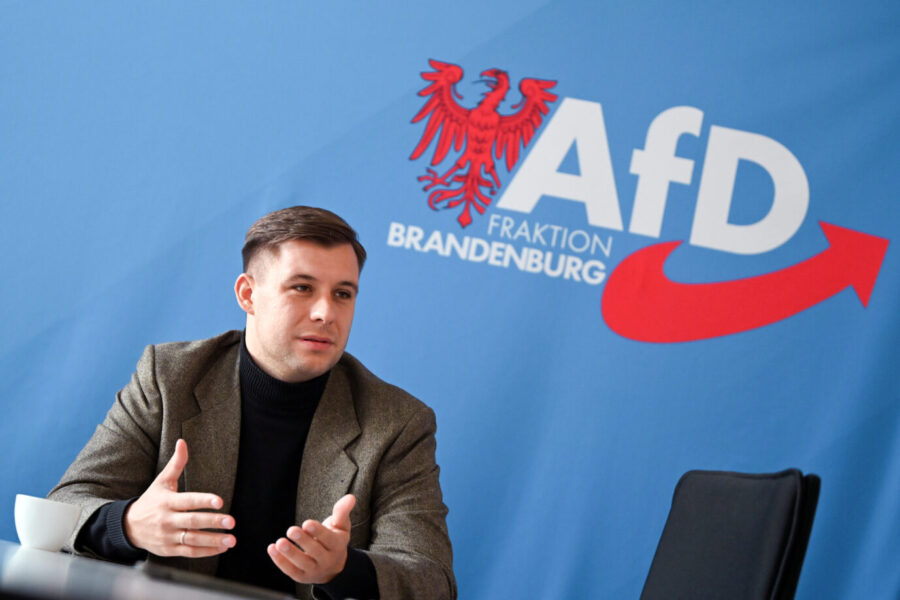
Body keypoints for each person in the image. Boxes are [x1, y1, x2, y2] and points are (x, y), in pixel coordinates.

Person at [48, 206, 456, 600]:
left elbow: (432, 579)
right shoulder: (169, 378)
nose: (325, 312)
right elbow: (65, 507)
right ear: (248, 294)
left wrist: (342, 569)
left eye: (343, 294)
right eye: (302, 287)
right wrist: (131, 525)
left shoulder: (397, 422)